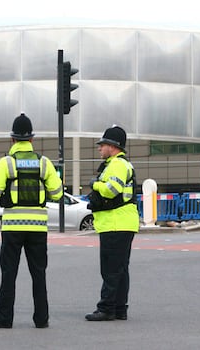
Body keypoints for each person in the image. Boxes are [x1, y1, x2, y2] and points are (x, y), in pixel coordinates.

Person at [0, 113, 63, 329]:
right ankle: (41, 319)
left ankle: (4, 318)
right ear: (31, 139)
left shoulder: (7, 163)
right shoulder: (44, 163)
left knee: (9, 273)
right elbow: (57, 193)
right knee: (39, 273)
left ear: (12, 139)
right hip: (38, 227)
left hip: (13, 227)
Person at [85, 125, 139, 321]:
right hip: (122, 222)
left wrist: (94, 184)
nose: (99, 148)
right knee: (120, 269)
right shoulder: (122, 164)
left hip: (115, 223)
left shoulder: (117, 164)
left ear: (113, 146)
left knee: (110, 270)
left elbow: (111, 189)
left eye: (103, 144)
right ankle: (119, 308)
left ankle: (106, 308)